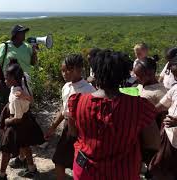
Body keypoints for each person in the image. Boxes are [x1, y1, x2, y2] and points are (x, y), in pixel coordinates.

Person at [68, 49, 160, 180]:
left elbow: (72, 132)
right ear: (124, 75)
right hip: (122, 172)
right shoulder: (138, 106)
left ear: (95, 72)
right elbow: (154, 143)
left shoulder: (78, 102)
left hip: (85, 171)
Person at [0, 63, 45, 180]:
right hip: (26, 121)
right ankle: (31, 168)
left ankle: (1, 175)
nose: (4, 80)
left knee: (6, 149)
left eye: (6, 78)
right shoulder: (22, 84)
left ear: (13, 79)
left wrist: (7, 121)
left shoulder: (17, 97)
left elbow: (18, 118)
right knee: (25, 144)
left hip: (17, 124)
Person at [45, 54, 95, 180]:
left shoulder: (89, 90)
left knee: (82, 164)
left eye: (64, 70)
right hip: (68, 130)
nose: (62, 73)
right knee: (59, 160)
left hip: (83, 132)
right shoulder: (66, 87)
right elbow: (64, 109)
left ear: (74, 70)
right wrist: (53, 127)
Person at [149, 55, 177, 180]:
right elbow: (160, 106)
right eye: (174, 74)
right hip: (169, 137)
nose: (175, 78)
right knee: (161, 169)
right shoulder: (175, 89)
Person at [0, 25, 37, 94]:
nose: (24, 34)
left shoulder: (28, 47)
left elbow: (33, 63)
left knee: (25, 102)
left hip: (25, 82)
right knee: (12, 102)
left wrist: (34, 53)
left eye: (24, 32)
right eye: (22, 32)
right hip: (10, 83)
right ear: (15, 34)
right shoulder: (5, 46)